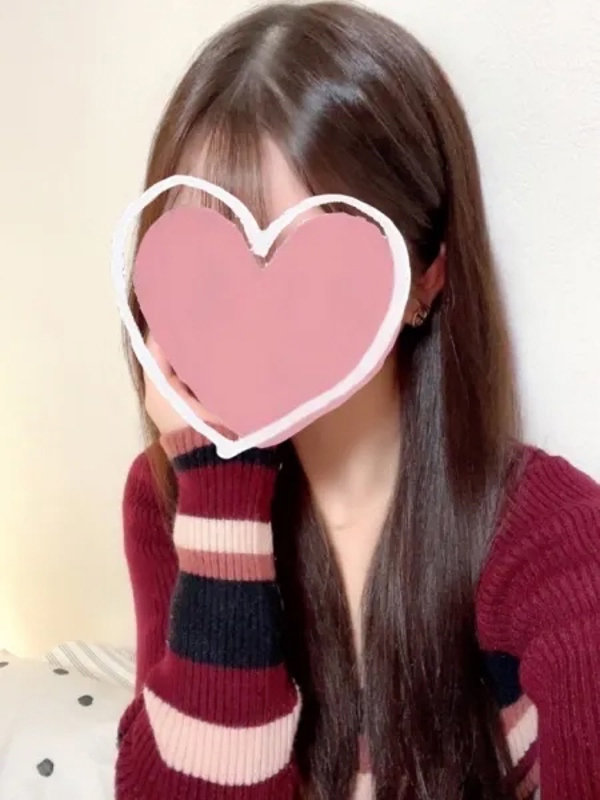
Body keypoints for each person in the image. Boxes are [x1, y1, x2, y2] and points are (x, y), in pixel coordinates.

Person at [115, 2, 600, 799]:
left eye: (309, 254)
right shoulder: (168, 494)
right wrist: (221, 491)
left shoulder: (556, 538)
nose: (252, 316)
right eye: (209, 264)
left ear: (428, 278)